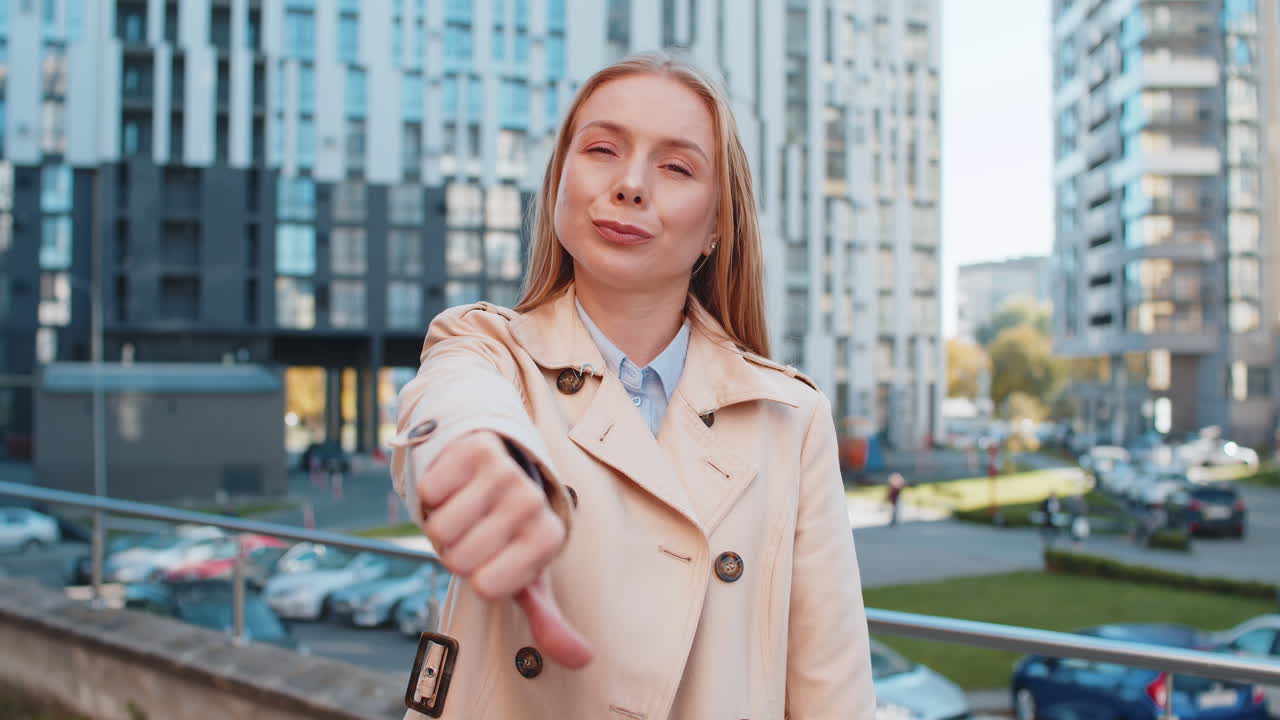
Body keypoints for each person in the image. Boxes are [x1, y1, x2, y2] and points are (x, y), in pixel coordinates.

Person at [389, 52, 875, 719]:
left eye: (676, 166)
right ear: (559, 182)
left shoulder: (790, 417)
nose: (631, 185)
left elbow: (832, 691)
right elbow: (454, 402)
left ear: (716, 226)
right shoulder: (485, 347)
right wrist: (473, 450)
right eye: (602, 150)